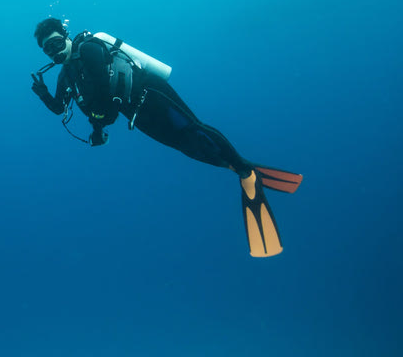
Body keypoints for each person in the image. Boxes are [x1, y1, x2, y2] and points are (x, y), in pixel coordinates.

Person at [30, 17, 302, 257]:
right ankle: (234, 167)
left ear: (65, 36)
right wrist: (42, 94)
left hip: (152, 94)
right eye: (47, 49)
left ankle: (244, 170)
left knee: (194, 129)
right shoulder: (66, 75)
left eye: (55, 43)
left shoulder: (89, 49)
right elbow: (60, 108)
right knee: (184, 146)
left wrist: (99, 124)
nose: (53, 52)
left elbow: (103, 94)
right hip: (135, 113)